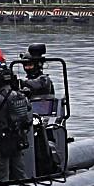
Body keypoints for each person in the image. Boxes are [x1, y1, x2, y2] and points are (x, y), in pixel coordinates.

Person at [14, 44, 64, 177]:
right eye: (25, 66)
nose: (27, 68)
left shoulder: (44, 80)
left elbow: (38, 84)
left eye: (30, 65)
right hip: (27, 116)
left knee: (44, 135)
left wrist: (19, 83)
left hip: (43, 115)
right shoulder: (23, 85)